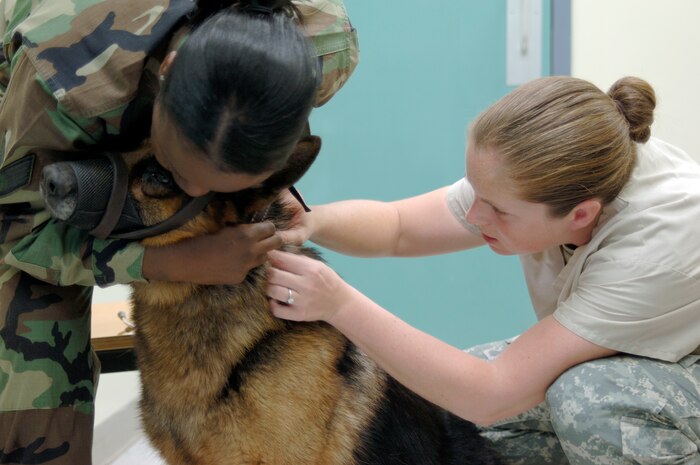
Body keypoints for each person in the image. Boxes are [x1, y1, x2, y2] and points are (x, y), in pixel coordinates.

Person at [266, 75, 700, 464]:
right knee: (441, 399)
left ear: (581, 216)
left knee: (591, 400)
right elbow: (398, 228)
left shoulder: (655, 247)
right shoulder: (547, 168)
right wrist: (312, 220)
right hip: (649, 352)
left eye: (497, 210)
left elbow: (492, 393)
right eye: (475, 192)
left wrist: (337, 303)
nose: (474, 216)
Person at [0, 0, 358, 463]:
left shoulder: (326, 48)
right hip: (30, 132)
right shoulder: (60, 75)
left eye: (215, 187)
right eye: (176, 173)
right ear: (167, 71)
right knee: (39, 418)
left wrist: (259, 191)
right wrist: (169, 262)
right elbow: (15, 232)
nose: (195, 193)